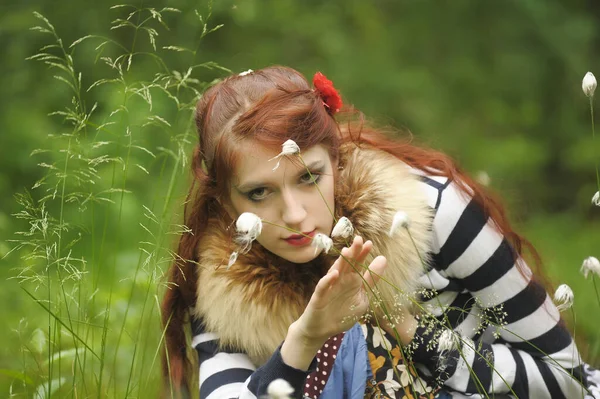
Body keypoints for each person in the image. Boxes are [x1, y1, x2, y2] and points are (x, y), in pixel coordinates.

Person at [161, 66, 600, 399]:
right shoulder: (223, 276)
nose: (294, 215)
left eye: (308, 178)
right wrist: (304, 340)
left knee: (361, 340)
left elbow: (569, 378)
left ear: (336, 161)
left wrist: (407, 329)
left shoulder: (430, 210)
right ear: (225, 202)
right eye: (259, 192)